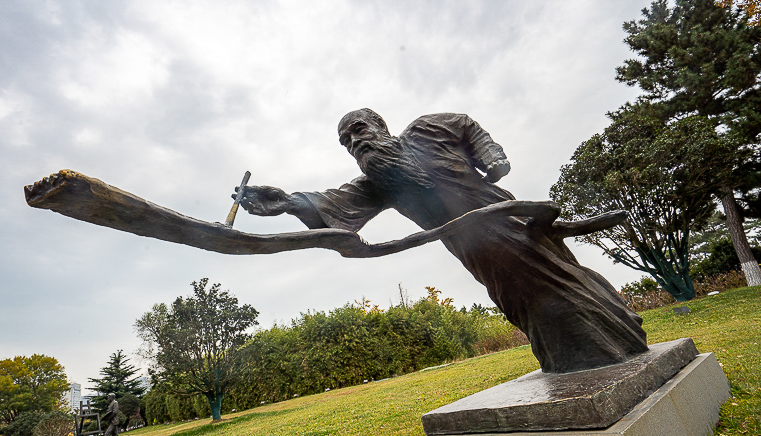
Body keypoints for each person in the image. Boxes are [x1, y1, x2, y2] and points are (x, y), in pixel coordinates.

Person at [239, 109, 648, 373]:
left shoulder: (426, 130)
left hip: (514, 225)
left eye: (358, 130)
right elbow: (329, 206)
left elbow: (468, 126)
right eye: (346, 142)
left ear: (380, 125)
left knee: (562, 284)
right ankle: (568, 362)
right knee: (520, 304)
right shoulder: (376, 183)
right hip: (475, 252)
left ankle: (614, 344)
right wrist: (287, 202)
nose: (354, 142)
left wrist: (492, 156)